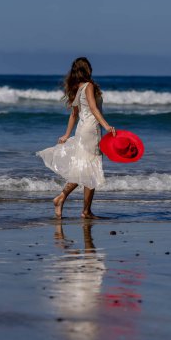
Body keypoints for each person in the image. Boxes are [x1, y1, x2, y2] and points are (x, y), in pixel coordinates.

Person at [36, 57, 116, 219]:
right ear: (87, 69)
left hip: (82, 130)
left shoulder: (79, 88)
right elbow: (93, 109)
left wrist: (67, 134)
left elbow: (74, 114)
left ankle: (70, 203)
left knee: (85, 169)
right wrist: (107, 126)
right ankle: (77, 206)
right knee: (90, 170)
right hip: (91, 130)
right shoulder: (89, 86)